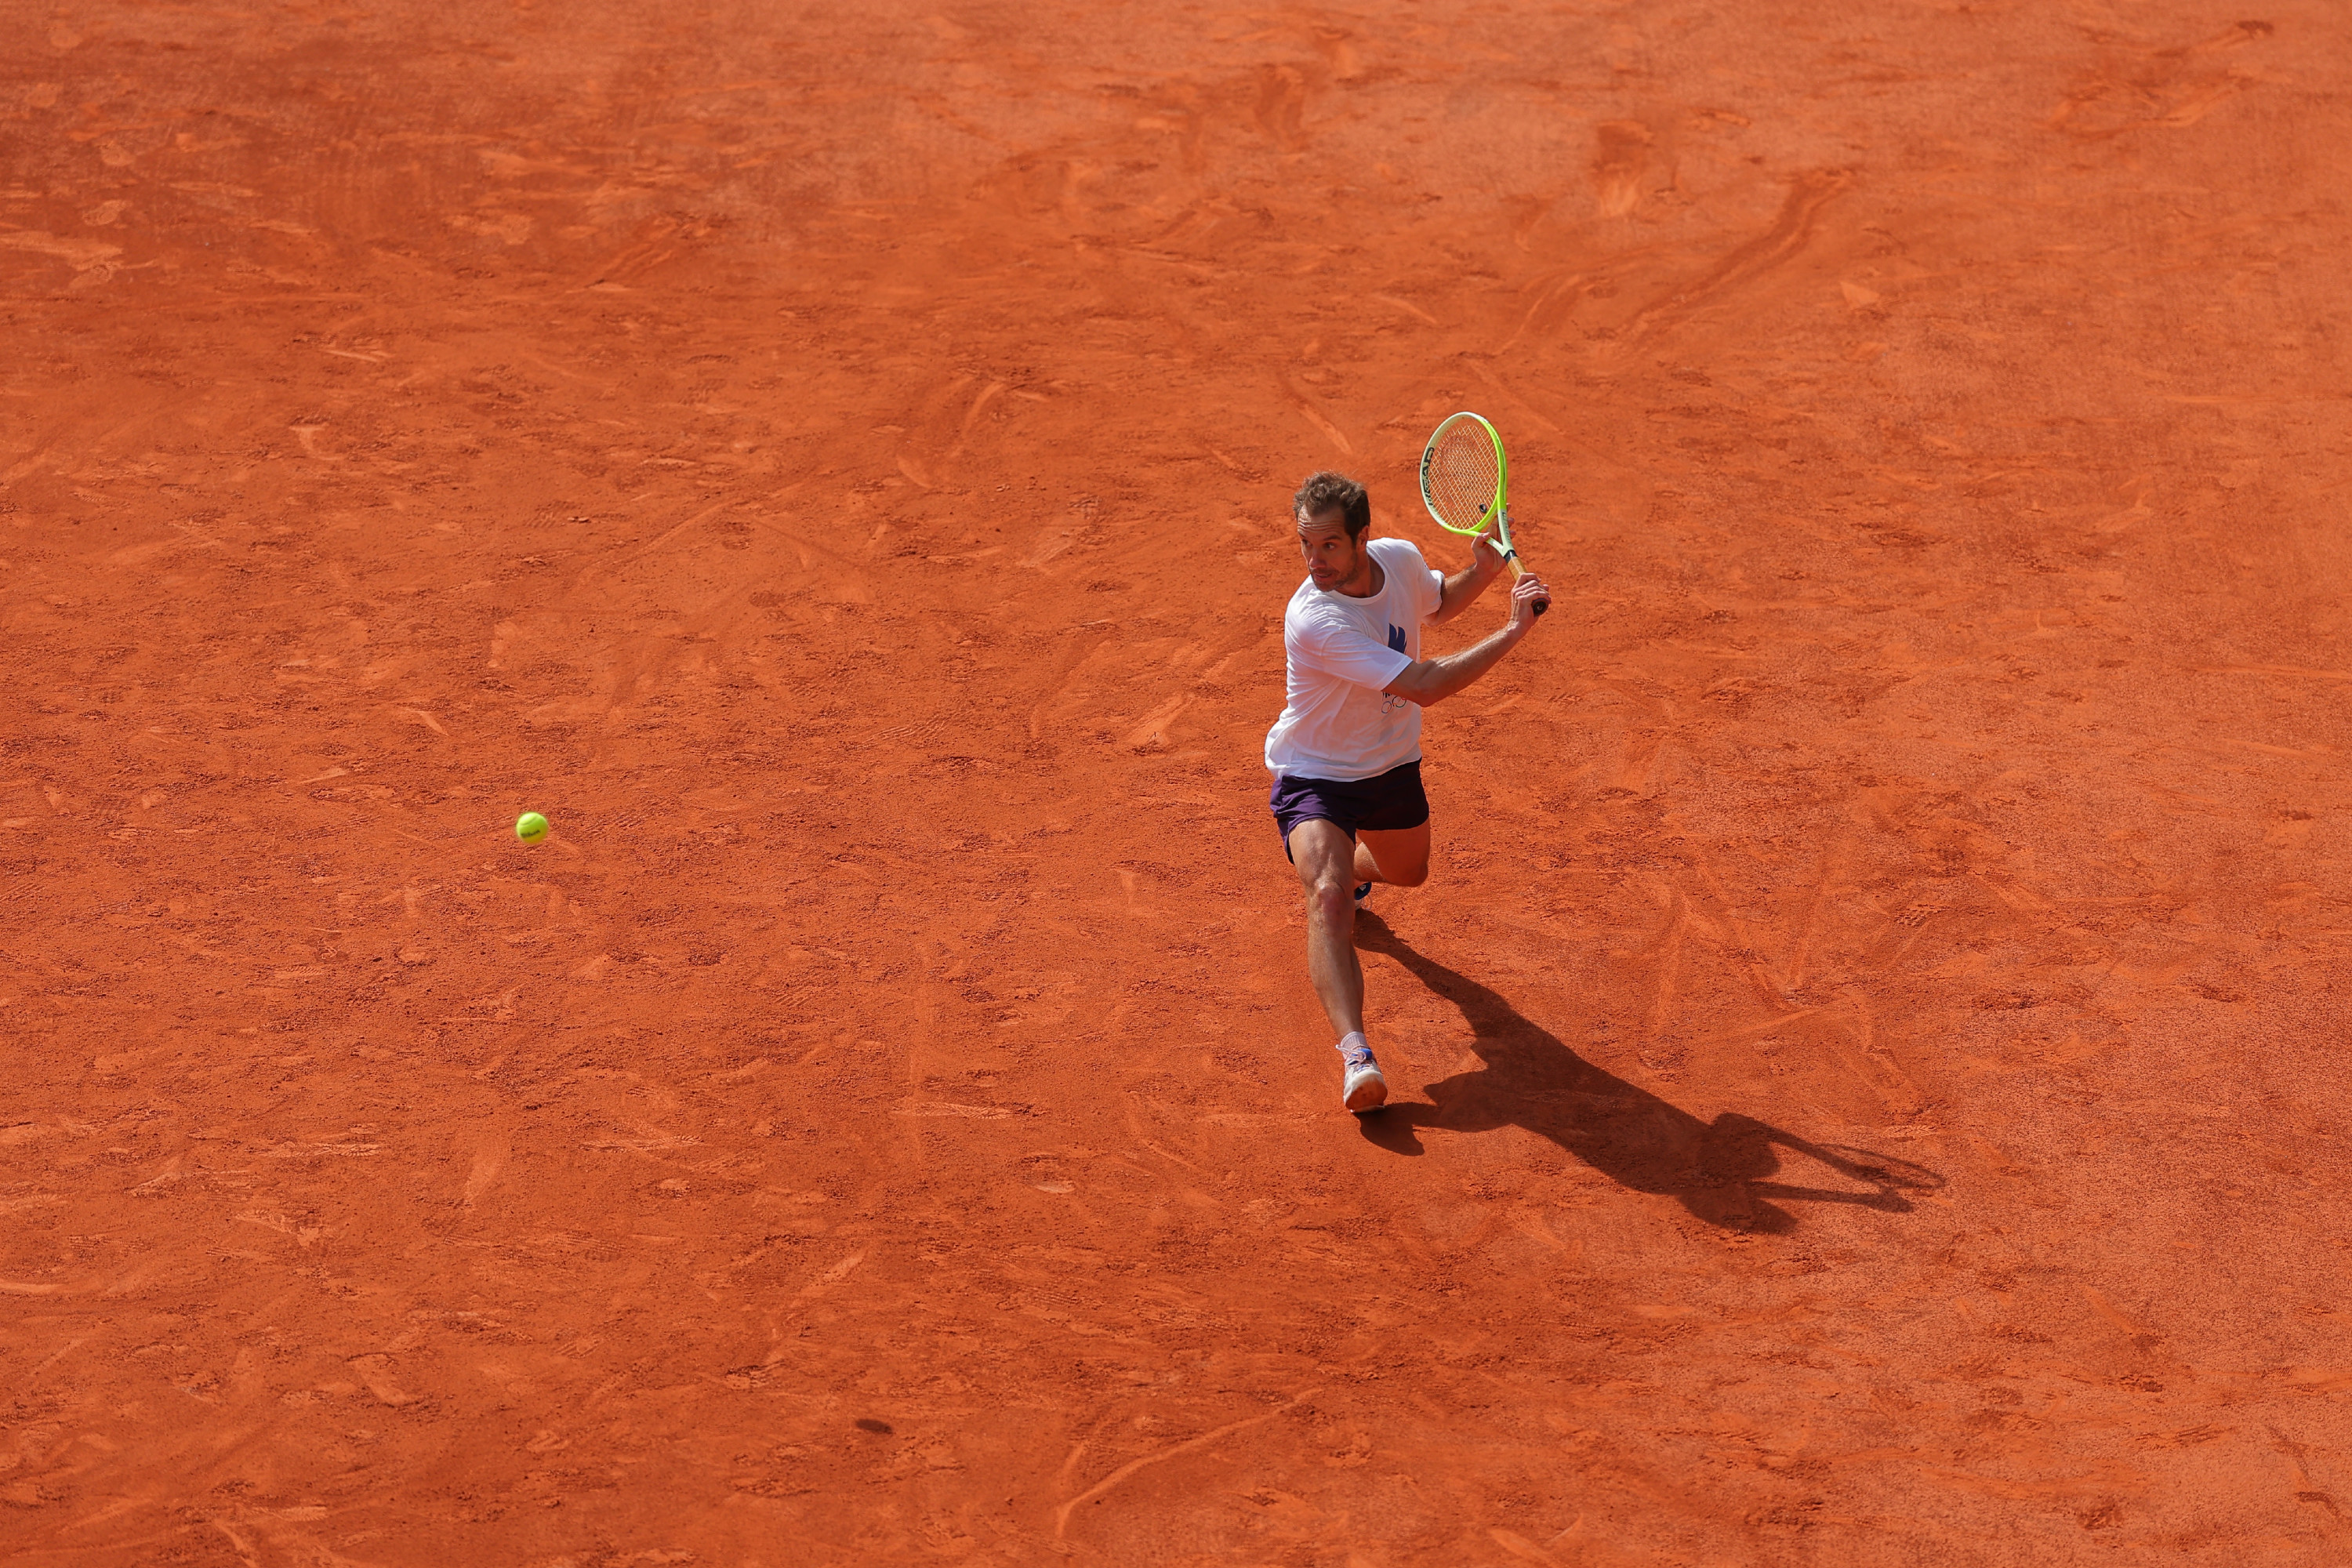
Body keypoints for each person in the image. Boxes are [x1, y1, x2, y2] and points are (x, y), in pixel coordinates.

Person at [1265, 470, 1550, 1112]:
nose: (1315, 561)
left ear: (1363, 539)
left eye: (1330, 546)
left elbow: (1436, 603)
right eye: (1307, 547)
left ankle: (1354, 872)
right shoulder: (1316, 618)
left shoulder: (1396, 559)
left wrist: (1478, 571)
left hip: (1391, 767)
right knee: (1329, 899)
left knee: (1410, 872)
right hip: (1315, 774)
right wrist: (1512, 632)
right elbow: (1422, 683)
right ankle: (1356, 1054)